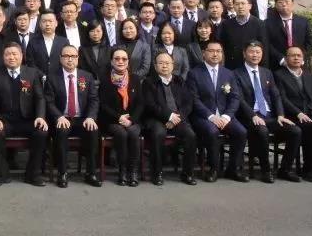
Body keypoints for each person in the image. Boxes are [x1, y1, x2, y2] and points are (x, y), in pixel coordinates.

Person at [233, 41, 301, 183]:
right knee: (262, 131)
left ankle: (285, 169)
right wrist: (253, 115)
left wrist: (280, 115)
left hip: (270, 116)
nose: (255, 55)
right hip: (249, 117)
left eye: (258, 52)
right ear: (244, 54)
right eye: (251, 51)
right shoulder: (236, 74)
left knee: (295, 131)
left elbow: (276, 96)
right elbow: (239, 98)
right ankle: (266, 171)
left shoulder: (267, 72)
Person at [0, 43, 48, 187]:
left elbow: (40, 98)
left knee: (42, 131)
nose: (11, 57)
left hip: (27, 120)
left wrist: (40, 116)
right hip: (5, 120)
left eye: (14, 54)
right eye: (8, 54)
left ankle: (33, 174)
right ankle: (2, 174)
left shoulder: (32, 73)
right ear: (3, 57)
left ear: (21, 56)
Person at [187, 41, 248, 183]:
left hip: (224, 115)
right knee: (212, 131)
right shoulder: (194, 73)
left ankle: (233, 169)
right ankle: (213, 169)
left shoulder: (228, 73)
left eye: (219, 51)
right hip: (203, 116)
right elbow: (194, 99)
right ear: (204, 53)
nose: (215, 54)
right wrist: (211, 116)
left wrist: (227, 116)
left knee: (241, 132)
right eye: (212, 51)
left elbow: (235, 97)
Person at [274, 46, 312, 183]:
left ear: (303, 59)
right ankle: (308, 170)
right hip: (291, 115)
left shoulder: (308, 75)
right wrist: (298, 113)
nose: (296, 58)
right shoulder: (278, 75)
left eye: (299, 55)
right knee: (309, 127)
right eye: (292, 55)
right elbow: (282, 98)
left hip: (311, 113)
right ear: (286, 58)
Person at [45, 44, 102, 188]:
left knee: (93, 130)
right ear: (60, 58)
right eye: (66, 56)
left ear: (78, 58)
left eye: (73, 56)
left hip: (82, 119)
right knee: (61, 131)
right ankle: (62, 173)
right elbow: (49, 101)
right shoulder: (52, 77)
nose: (70, 59)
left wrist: (91, 117)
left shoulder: (87, 76)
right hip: (62, 118)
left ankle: (91, 173)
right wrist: (59, 116)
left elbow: (94, 100)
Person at [141, 52, 198, 186]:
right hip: (156, 118)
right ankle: (157, 173)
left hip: (178, 118)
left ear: (173, 65)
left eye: (167, 63)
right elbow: (150, 105)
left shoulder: (180, 81)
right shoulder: (148, 82)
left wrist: (177, 117)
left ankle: (188, 173)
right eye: (161, 63)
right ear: (155, 66)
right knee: (158, 133)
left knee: (190, 135)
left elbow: (188, 103)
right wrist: (169, 116)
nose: (164, 66)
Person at [98, 47, 143, 186]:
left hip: (132, 120)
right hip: (112, 120)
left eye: (124, 59)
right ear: (111, 61)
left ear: (128, 62)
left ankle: (133, 171)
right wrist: (119, 118)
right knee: (121, 134)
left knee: (133, 133)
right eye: (117, 59)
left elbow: (141, 104)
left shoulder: (135, 79)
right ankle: (122, 171)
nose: (120, 61)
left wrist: (131, 120)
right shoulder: (105, 80)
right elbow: (103, 105)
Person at [266, 0, 312, 70]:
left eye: (287, 2)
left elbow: (310, 41)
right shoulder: (267, 23)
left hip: (300, 65)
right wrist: (281, 59)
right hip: (278, 65)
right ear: (276, 5)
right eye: (280, 2)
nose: (284, 4)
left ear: (292, 4)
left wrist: (301, 57)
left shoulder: (303, 22)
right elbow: (267, 43)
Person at [218, 0, 267, 70]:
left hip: (252, 66)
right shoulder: (226, 24)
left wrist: (263, 68)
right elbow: (222, 46)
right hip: (232, 66)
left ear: (250, 6)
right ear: (233, 6)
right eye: (237, 4)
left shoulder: (259, 24)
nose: (240, 7)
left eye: (243, 3)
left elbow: (264, 47)